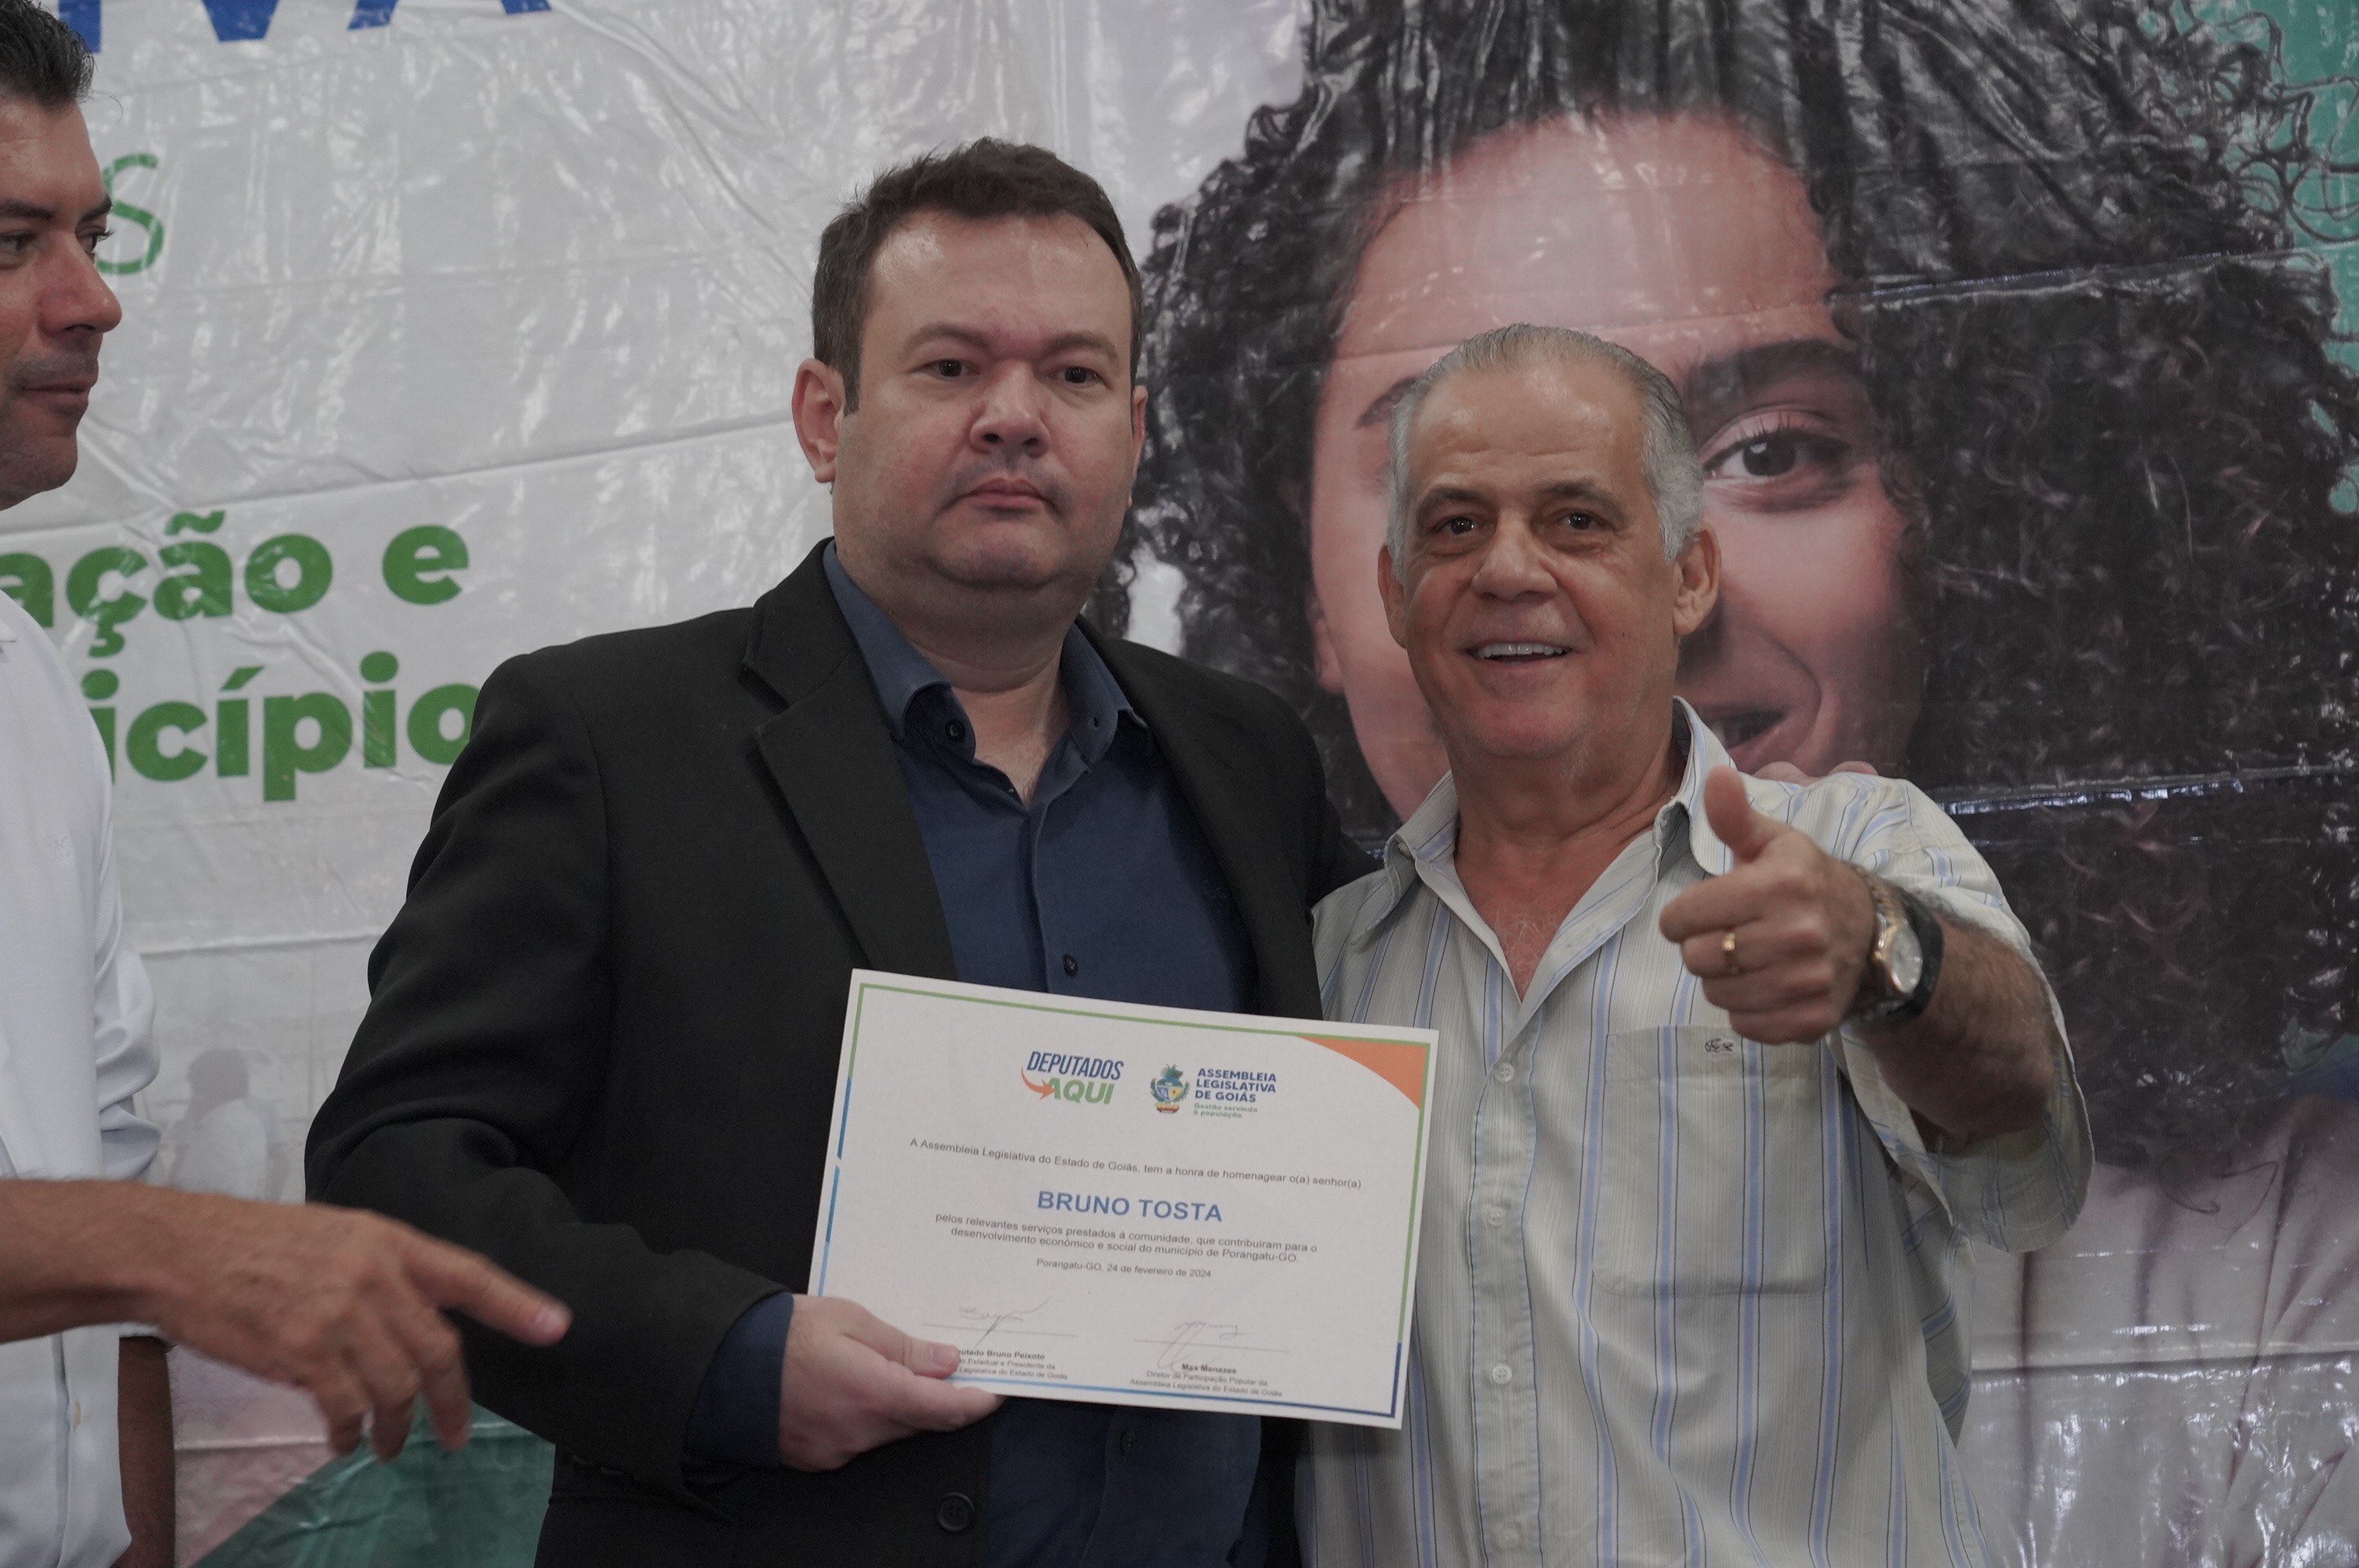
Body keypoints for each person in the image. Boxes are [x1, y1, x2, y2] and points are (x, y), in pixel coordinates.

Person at [1123, 3, 2359, 1553]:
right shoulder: (1307, 989)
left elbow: (2010, 1111)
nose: (1551, 580)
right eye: (1453, 505)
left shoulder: (2289, 1280)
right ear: (1331, 586)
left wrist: (1880, 955)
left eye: (1768, 449)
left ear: (1980, 501)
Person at [305, 138, 1366, 1566]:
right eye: (950, 367)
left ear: (1132, 428)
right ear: (825, 416)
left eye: (1072, 375)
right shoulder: (607, 740)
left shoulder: (1250, 759)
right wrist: (723, 1359)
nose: (1014, 418)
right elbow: (393, 1168)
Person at [1302, 321, 2088, 1564]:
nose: (1507, 568)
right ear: (1397, 594)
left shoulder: (1853, 850)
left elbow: (2023, 1142)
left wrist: (1880, 953)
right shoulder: (1322, 964)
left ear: (1688, 577)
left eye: (1576, 521)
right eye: (1455, 526)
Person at [0, 7, 570, 1563]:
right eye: (13, 241)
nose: (95, 299)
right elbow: (130, 1235)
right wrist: (173, 1248)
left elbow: (102, 1178)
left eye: (93, 234)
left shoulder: (33, 686)